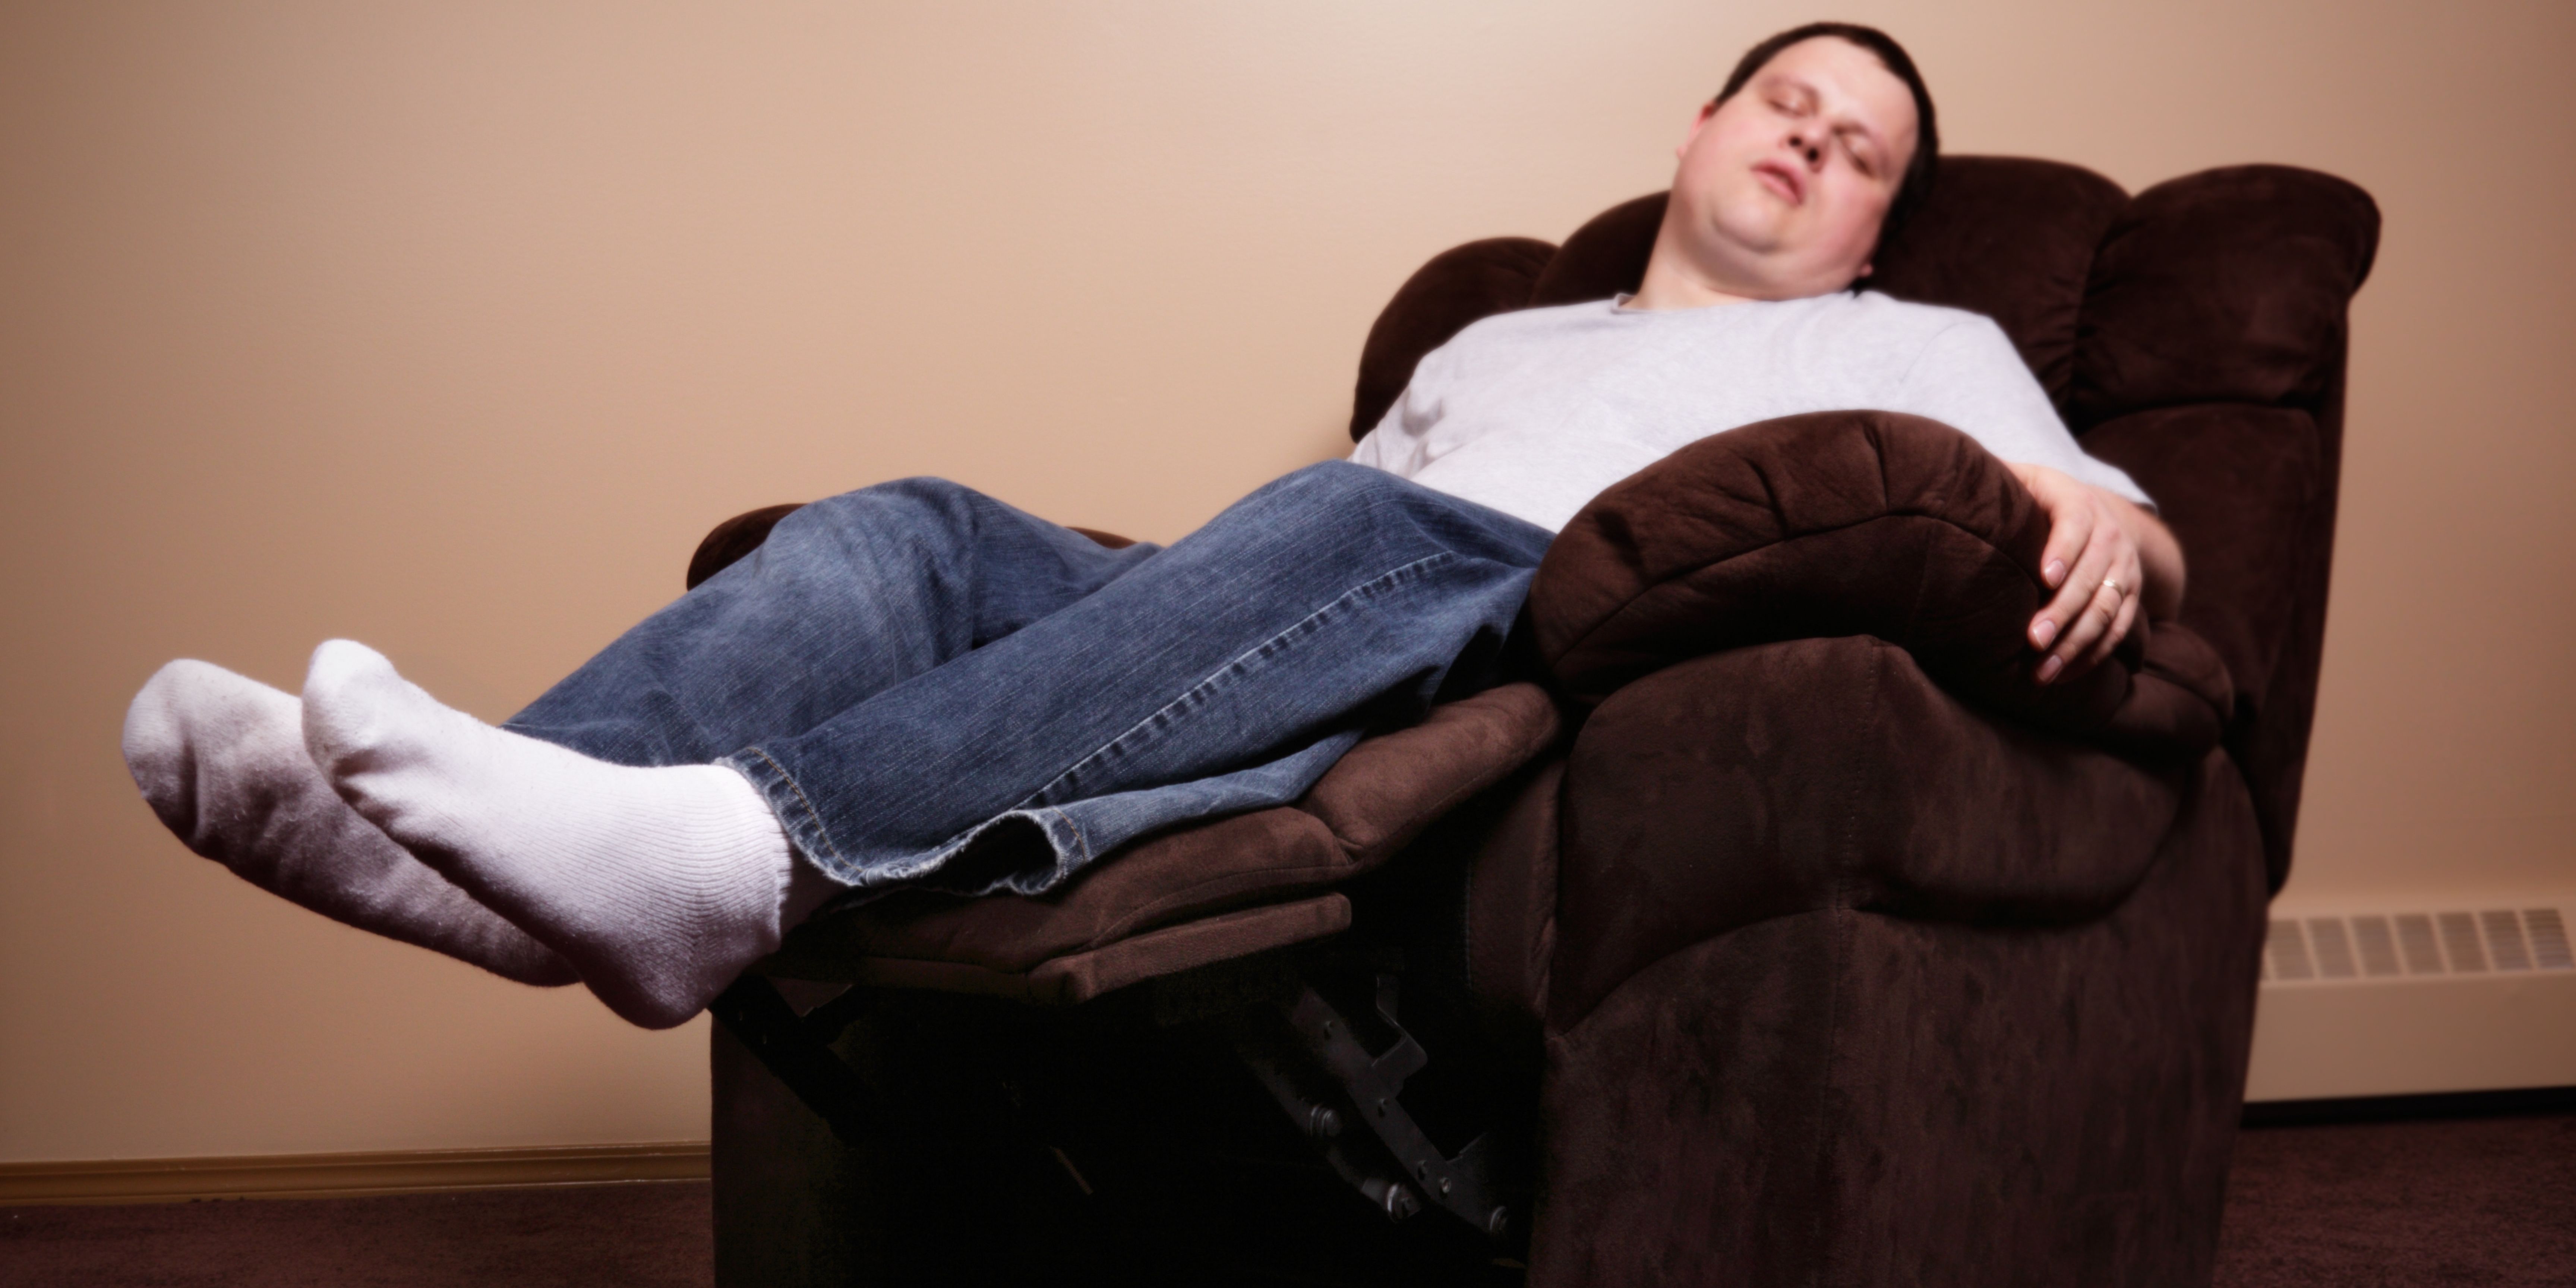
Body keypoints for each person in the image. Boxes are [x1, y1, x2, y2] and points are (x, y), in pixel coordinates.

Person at [120, 23, 2182, 1032]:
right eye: (1789, 105)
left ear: (1876, 228)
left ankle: (740, 861)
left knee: (1370, 524)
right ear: (1701, 129)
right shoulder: (1495, 335)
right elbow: (1275, 569)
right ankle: (497, 861)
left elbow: (2122, 538)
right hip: (1321, 571)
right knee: (916, 529)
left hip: (1522, 618)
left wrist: (2104, 520)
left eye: (1860, 152)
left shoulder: (1923, 344)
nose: (1812, 144)